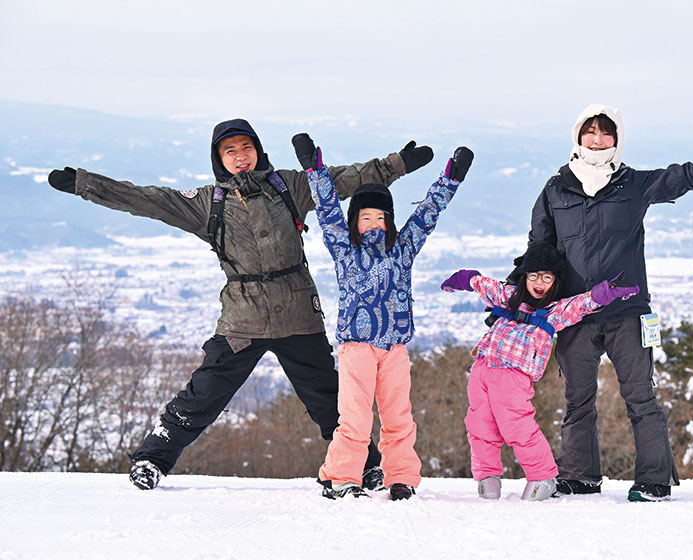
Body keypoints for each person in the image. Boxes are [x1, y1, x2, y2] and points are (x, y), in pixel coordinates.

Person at [46, 119, 435, 490]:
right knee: (204, 394)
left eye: (246, 147)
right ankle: (152, 459)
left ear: (258, 150)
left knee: (330, 400)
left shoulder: (289, 187)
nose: (240, 155)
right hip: (242, 319)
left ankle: (364, 466)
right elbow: (148, 200)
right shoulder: (207, 203)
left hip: (297, 310)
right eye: (229, 150)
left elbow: (345, 179)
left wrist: (396, 165)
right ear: (219, 158)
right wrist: (86, 184)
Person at [527, 104, 693, 501]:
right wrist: (520, 301)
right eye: (590, 132)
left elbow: (687, 176)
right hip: (574, 313)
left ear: (617, 139)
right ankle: (580, 475)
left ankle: (654, 479)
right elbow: (538, 251)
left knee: (640, 396)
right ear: (578, 136)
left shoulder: (633, 184)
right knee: (576, 400)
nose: (598, 140)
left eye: (606, 133)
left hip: (628, 311)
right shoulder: (556, 189)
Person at [293, 133, 472, 501]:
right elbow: (327, 209)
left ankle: (401, 477)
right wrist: (314, 169)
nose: (373, 223)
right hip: (357, 348)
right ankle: (342, 476)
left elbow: (426, 215)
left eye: (381, 217)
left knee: (398, 417)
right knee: (356, 418)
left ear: (389, 221)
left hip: (394, 348)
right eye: (365, 217)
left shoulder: (402, 249)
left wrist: (451, 179)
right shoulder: (345, 249)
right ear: (354, 221)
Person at [440, 243, 638, 501]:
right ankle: (487, 477)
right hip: (482, 369)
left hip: (513, 376)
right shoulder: (509, 297)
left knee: (517, 427)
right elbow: (485, 285)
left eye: (546, 277)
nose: (538, 282)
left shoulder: (554, 311)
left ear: (554, 282)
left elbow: (581, 304)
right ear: (524, 278)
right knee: (480, 426)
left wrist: (604, 294)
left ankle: (542, 475)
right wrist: (466, 279)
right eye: (533, 276)